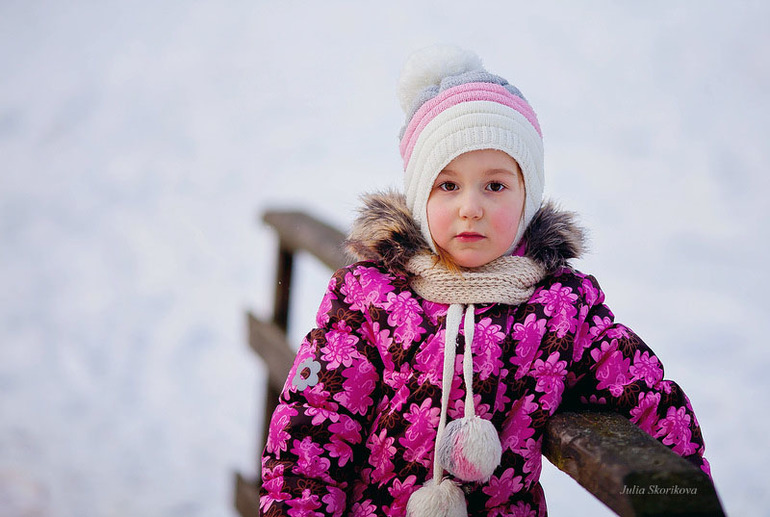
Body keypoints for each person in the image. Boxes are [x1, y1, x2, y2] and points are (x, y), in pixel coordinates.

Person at [259, 45, 711, 517]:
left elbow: (645, 397)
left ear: (526, 199)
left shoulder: (561, 308)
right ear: (419, 197)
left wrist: (681, 499)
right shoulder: (371, 296)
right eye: (448, 185)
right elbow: (315, 424)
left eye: (495, 186)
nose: (470, 207)